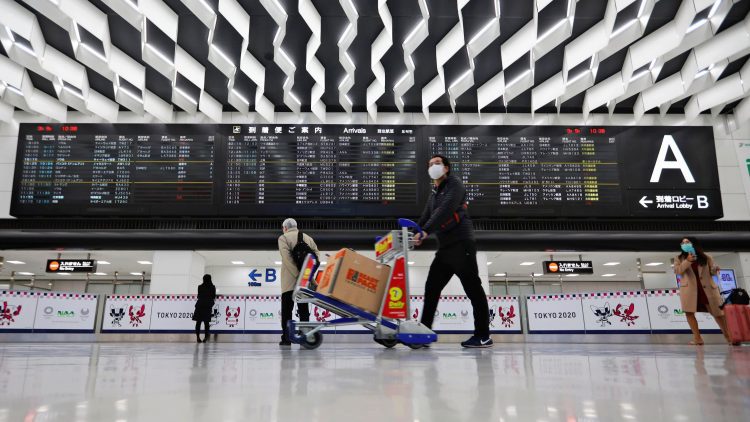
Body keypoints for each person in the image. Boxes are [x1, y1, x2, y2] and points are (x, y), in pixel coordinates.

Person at [414, 155, 492, 348]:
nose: (433, 166)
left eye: (437, 163)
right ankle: (424, 333)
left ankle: (483, 336)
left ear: (446, 168)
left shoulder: (454, 184)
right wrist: (412, 231)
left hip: (461, 244)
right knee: (431, 288)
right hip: (445, 248)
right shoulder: (434, 192)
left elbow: (446, 210)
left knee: (473, 290)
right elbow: (426, 215)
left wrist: (425, 231)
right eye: (430, 164)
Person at [674, 237, 731, 345]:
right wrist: (688, 261)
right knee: (689, 313)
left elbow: (712, 272)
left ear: (694, 244)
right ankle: (697, 338)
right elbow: (677, 271)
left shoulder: (706, 257)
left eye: (687, 242)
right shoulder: (679, 258)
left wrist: (715, 269)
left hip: (708, 289)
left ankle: (729, 337)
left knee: (718, 314)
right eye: (682, 242)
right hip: (689, 290)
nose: (684, 244)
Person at [278, 218, 320, 346]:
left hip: (289, 281)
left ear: (285, 228)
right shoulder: (308, 238)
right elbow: (316, 257)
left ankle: (286, 338)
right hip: (305, 282)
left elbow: (286, 259)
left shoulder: (283, 238)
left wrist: (297, 276)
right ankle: (304, 337)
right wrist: (306, 276)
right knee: (303, 310)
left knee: (287, 311)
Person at [192, 274, 216, 343]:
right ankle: (205, 338)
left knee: (198, 322)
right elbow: (213, 296)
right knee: (206, 323)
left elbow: (198, 296)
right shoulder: (212, 287)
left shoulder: (200, 286)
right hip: (207, 306)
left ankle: (198, 337)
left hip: (199, 305)